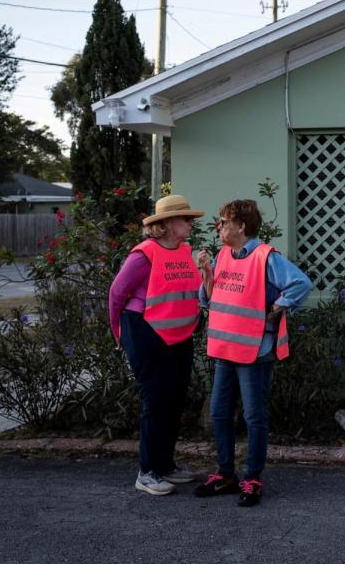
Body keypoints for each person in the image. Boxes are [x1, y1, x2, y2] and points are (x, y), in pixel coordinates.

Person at [193, 199, 311, 506]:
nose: (218, 227)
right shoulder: (222, 255)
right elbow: (209, 300)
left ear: (241, 225)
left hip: (256, 350)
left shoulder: (265, 256)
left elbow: (301, 283)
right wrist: (205, 272)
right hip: (225, 348)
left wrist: (278, 307)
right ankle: (225, 474)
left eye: (223, 221)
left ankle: (253, 478)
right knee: (219, 413)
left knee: (253, 416)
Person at [108, 194, 204, 496]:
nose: (191, 223)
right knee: (156, 400)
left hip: (178, 335)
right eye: (185, 218)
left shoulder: (185, 251)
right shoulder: (144, 255)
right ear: (166, 224)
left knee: (175, 399)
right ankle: (147, 471)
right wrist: (118, 333)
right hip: (145, 332)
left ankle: (165, 465)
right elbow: (116, 294)